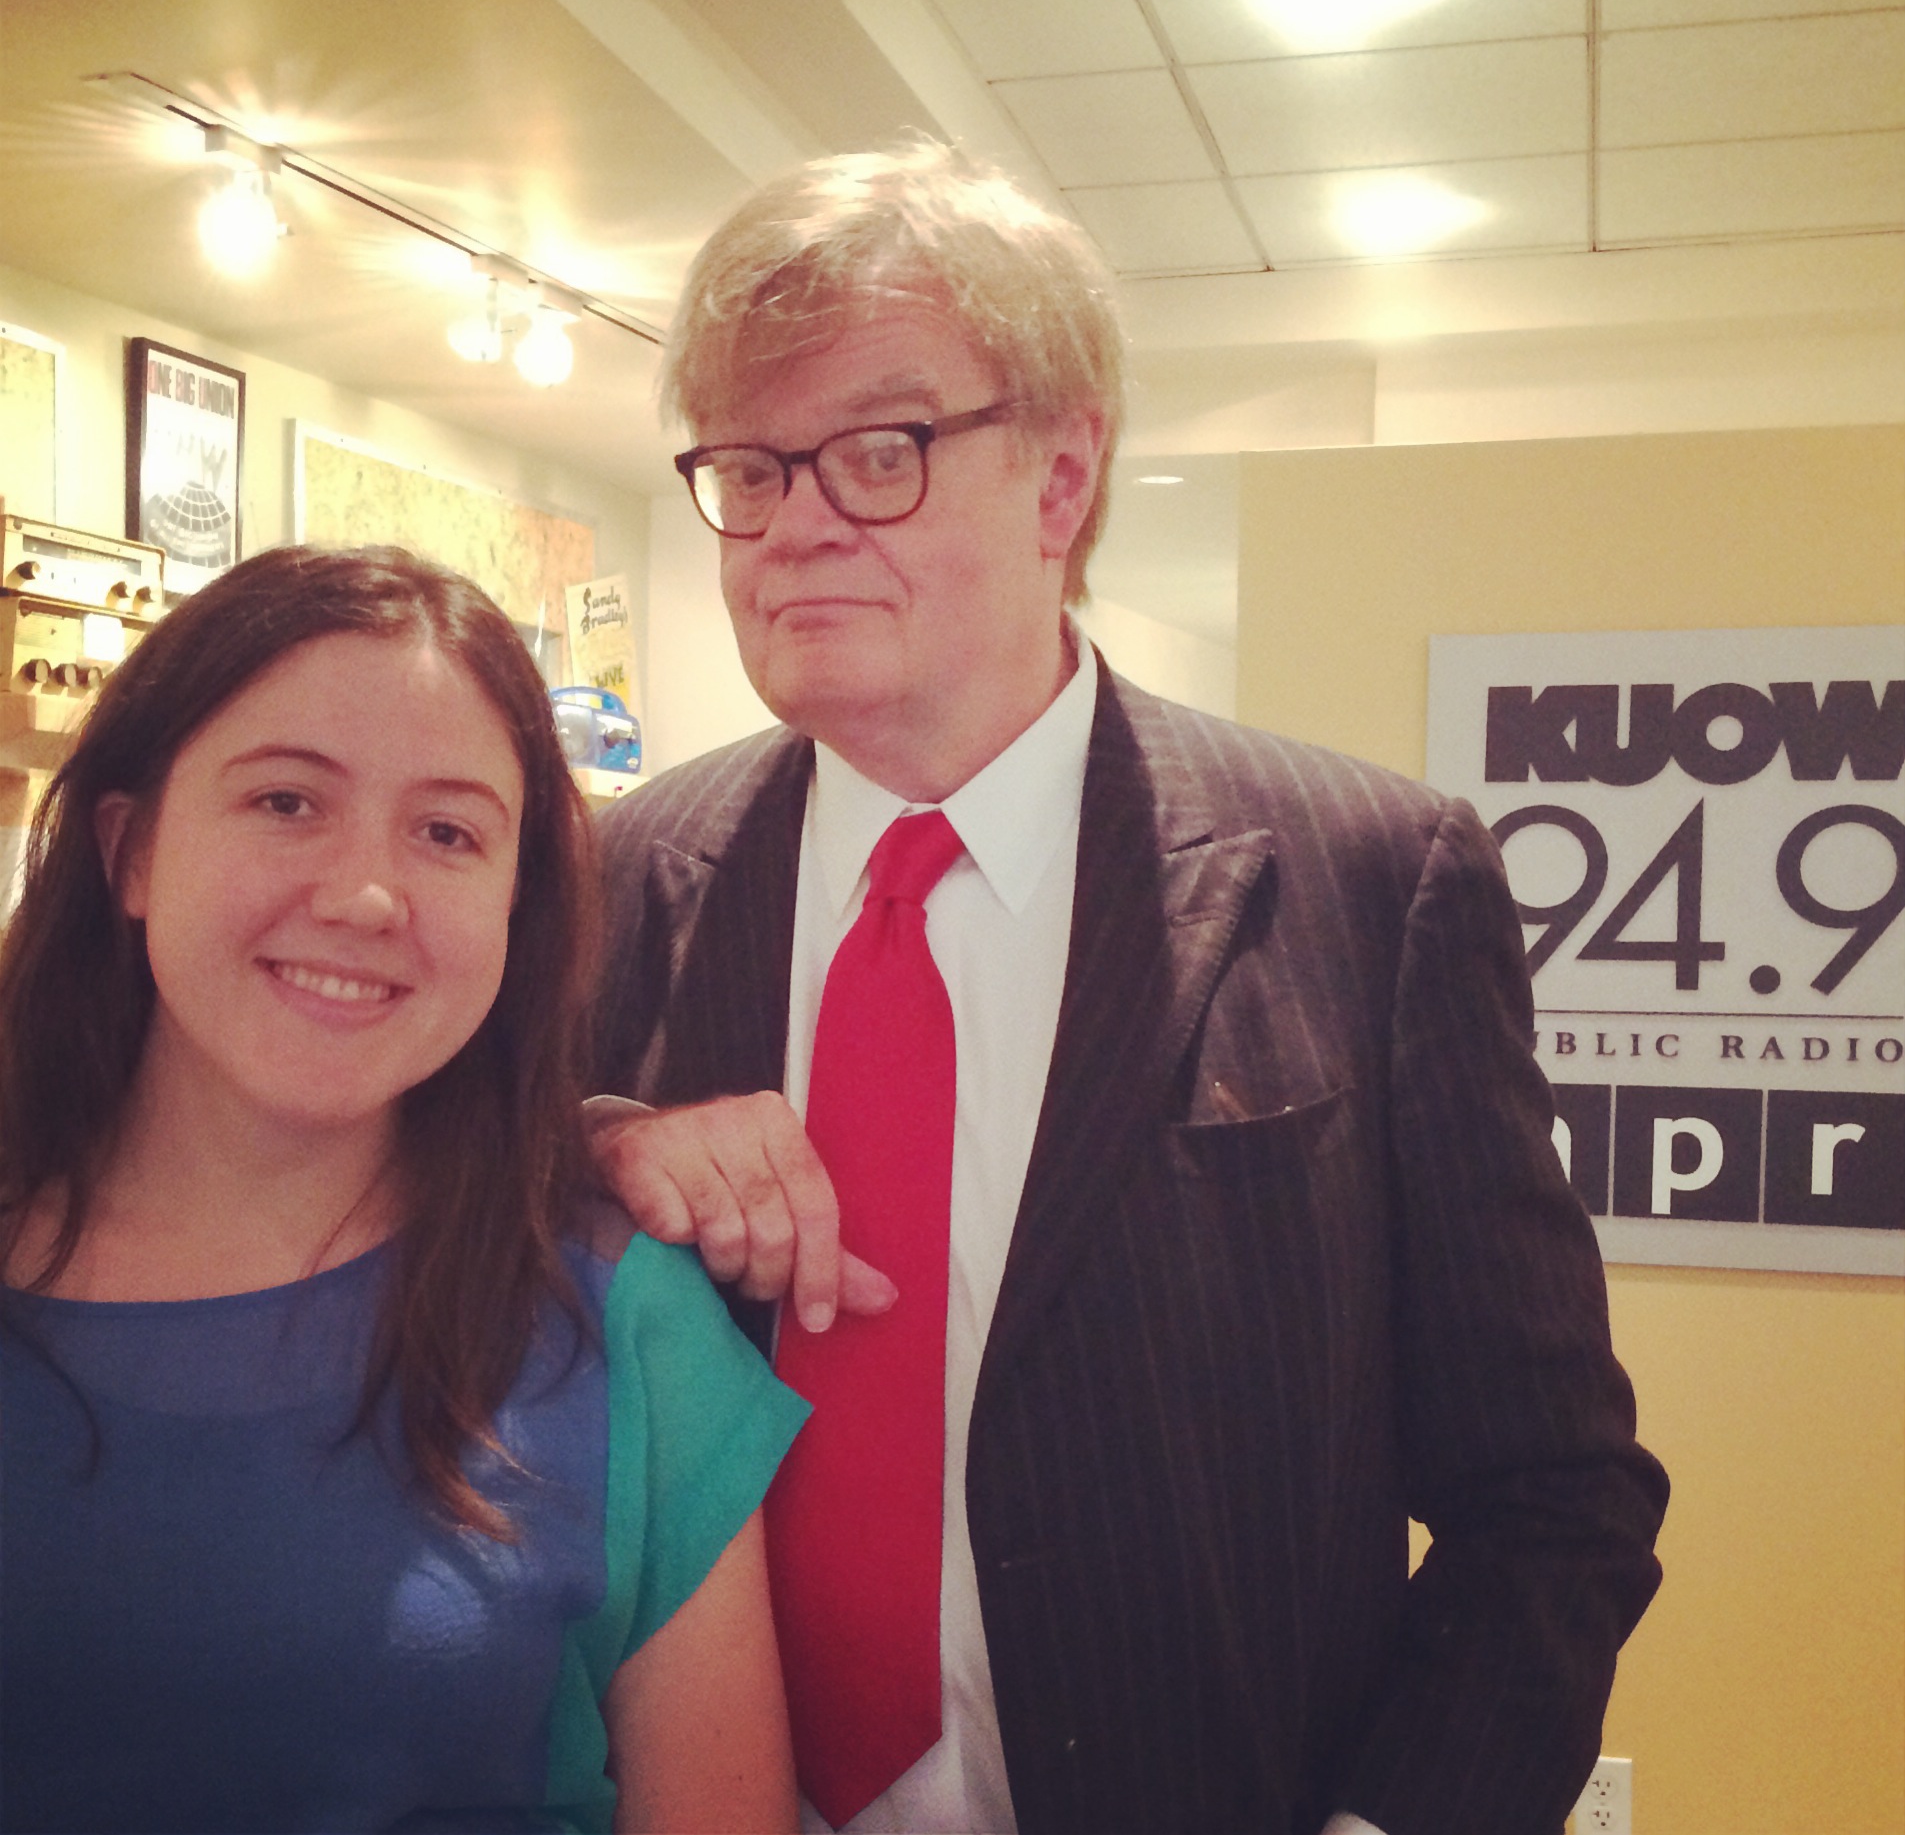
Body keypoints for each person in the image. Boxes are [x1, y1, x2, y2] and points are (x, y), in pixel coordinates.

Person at [587, 141, 1670, 1835]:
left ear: (1060, 478)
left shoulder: (1369, 880)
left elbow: (1551, 1495)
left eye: (878, 451)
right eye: (746, 463)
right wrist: (586, 1145)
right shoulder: (613, 881)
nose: (794, 525)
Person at [0, 546, 807, 1834]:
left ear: (511, 906)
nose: (367, 894)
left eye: (447, 833)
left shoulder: (619, 1313)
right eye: (285, 802)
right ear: (132, 846)